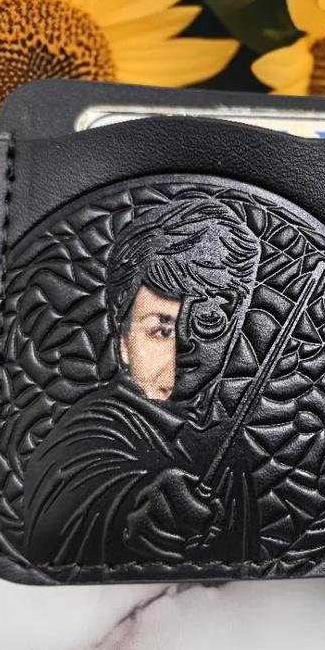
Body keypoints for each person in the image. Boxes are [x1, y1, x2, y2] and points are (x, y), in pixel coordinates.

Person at [23, 197, 262, 567]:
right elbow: (88, 497)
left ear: (234, 330)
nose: (185, 342)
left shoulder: (228, 451)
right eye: (160, 328)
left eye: (209, 319)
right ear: (122, 337)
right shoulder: (86, 438)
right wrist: (133, 510)